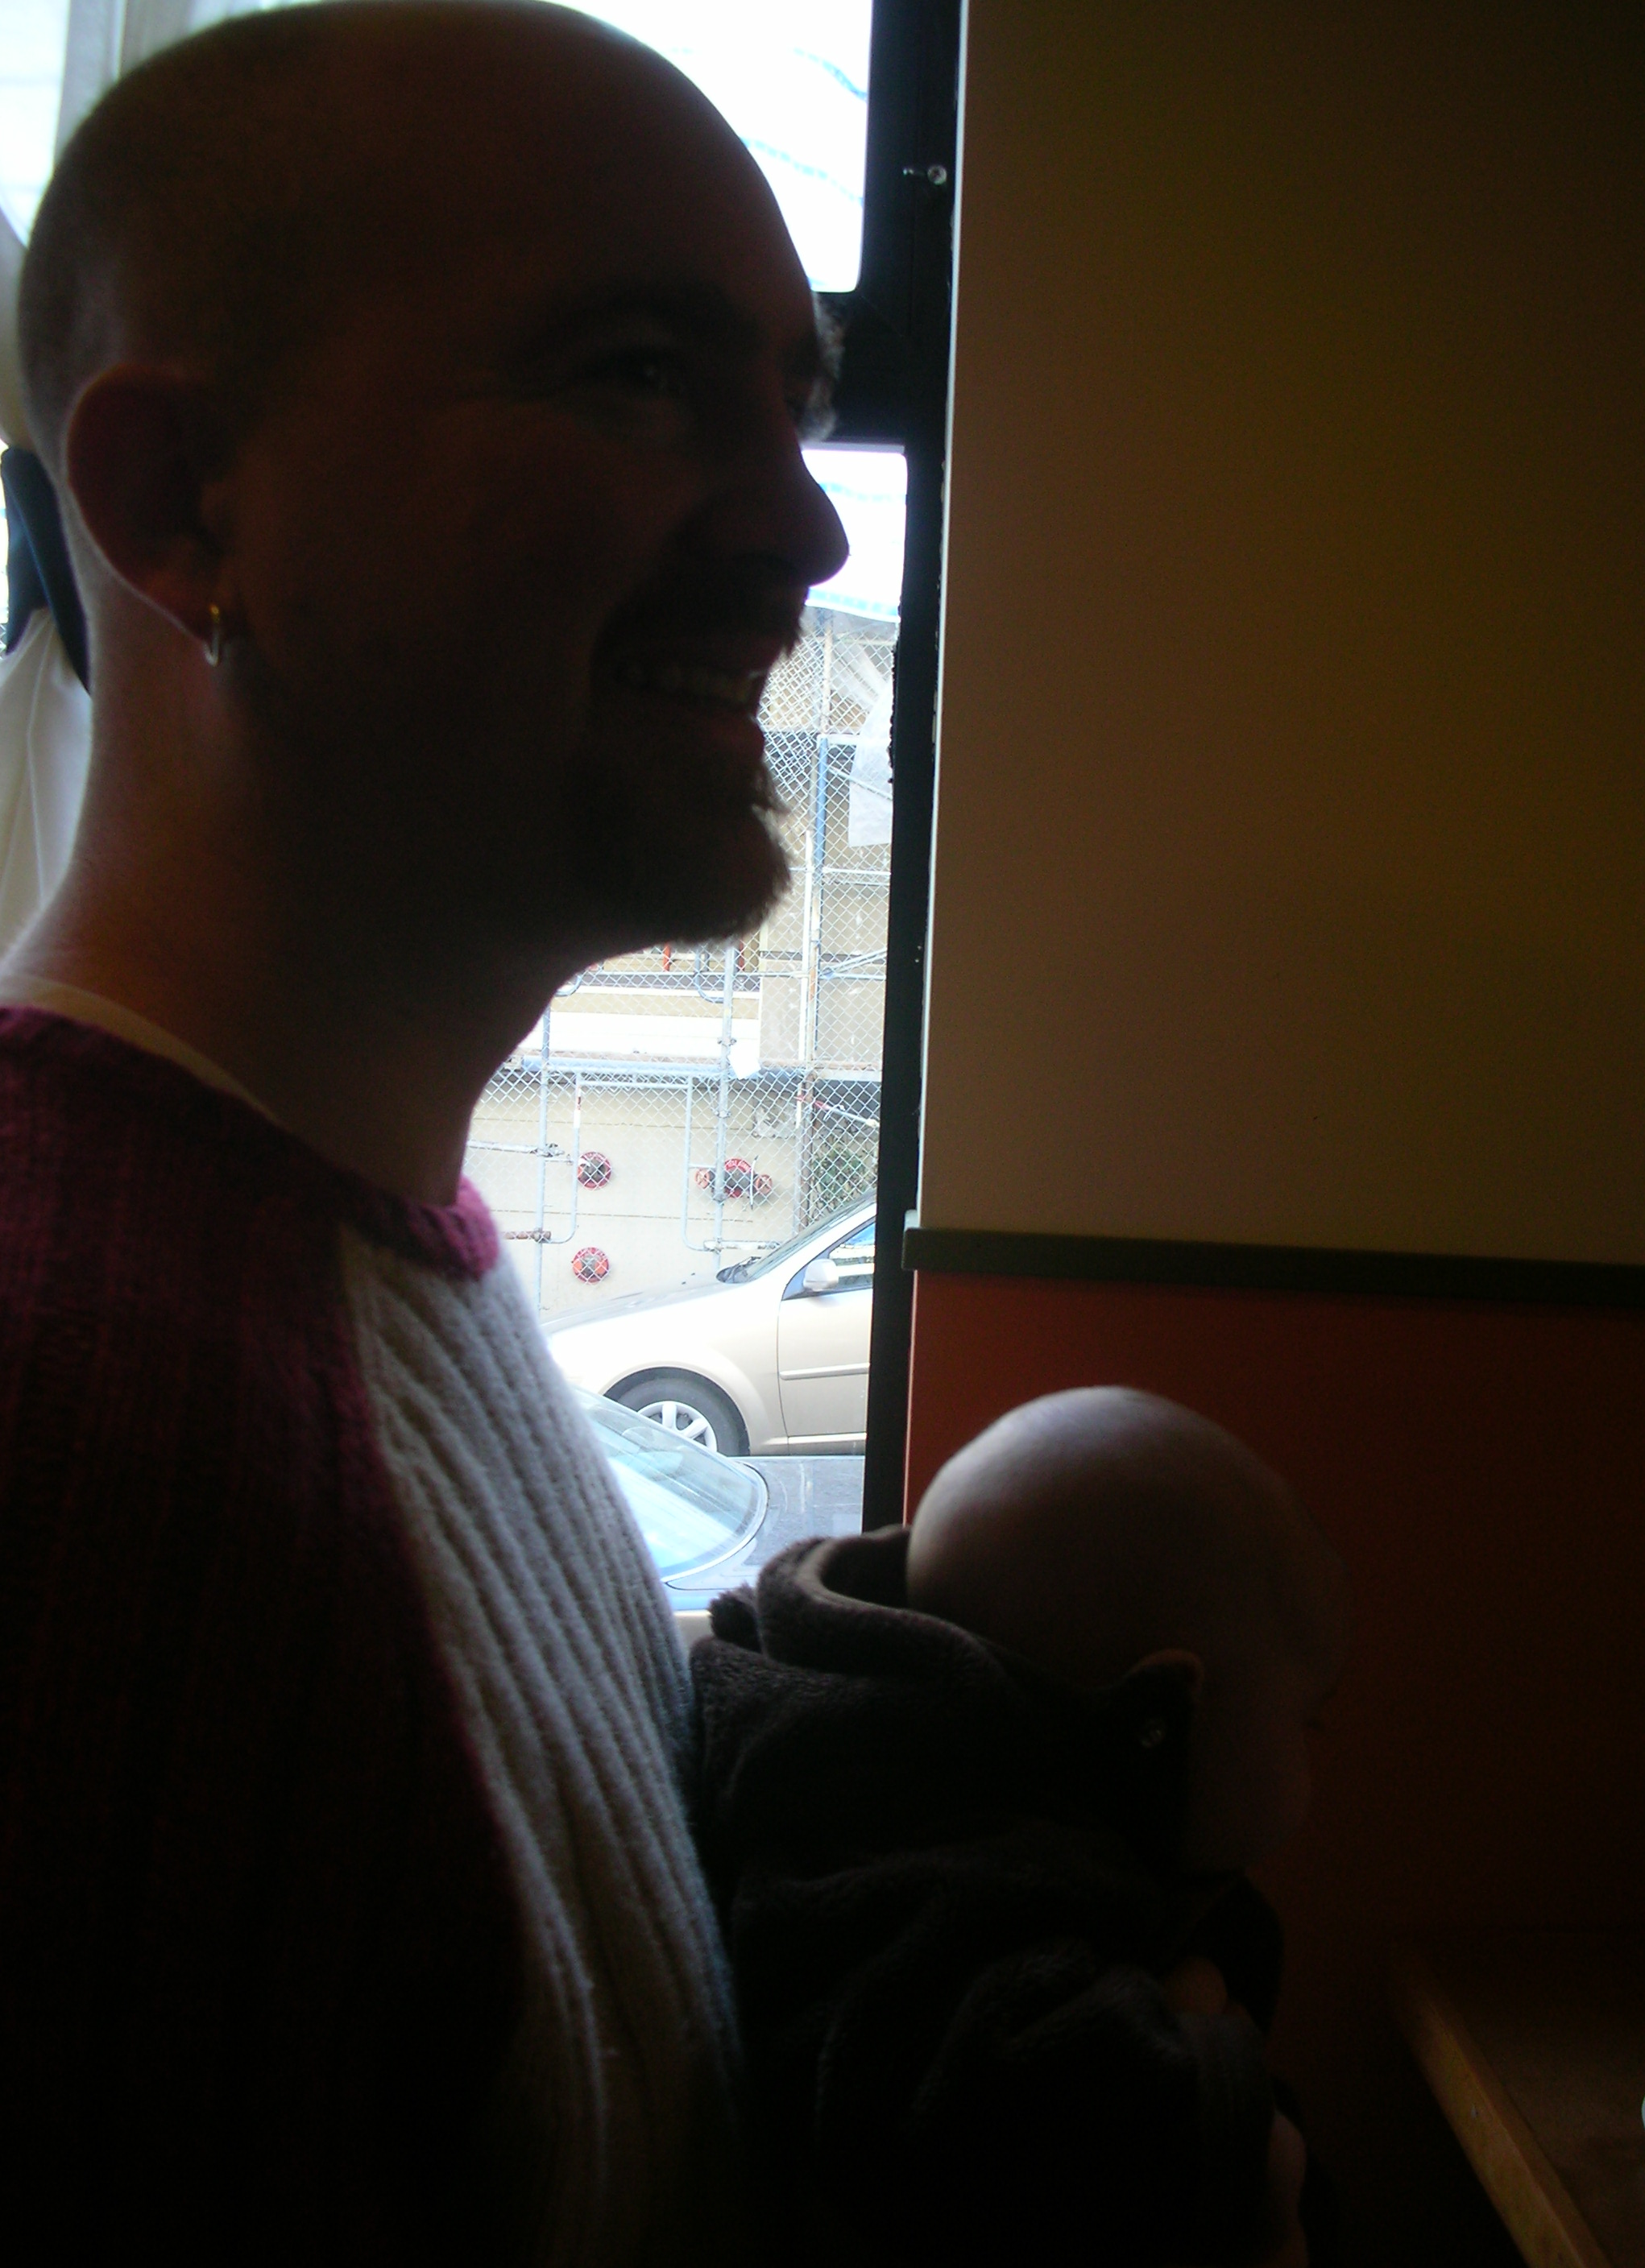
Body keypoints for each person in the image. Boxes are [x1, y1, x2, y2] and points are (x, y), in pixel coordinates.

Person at [0, 4, 847, 2260]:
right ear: (181, 501)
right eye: (634, 376)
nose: (803, 524)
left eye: (797, 402)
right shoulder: (73, 1457)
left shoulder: (365, 1272)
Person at [692, 1386, 1352, 2267]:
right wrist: (1213, 2076)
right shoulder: (917, 1850)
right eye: (1310, 1719)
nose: (1316, 1759)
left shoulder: (938, 1771)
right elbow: (992, 2119)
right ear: (1166, 1713)